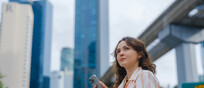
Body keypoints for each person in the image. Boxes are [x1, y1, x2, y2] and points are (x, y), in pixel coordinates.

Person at [94, 37, 159, 88]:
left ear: (139, 54)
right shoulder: (122, 84)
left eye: (126, 48)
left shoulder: (144, 75)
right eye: (118, 51)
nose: (120, 53)